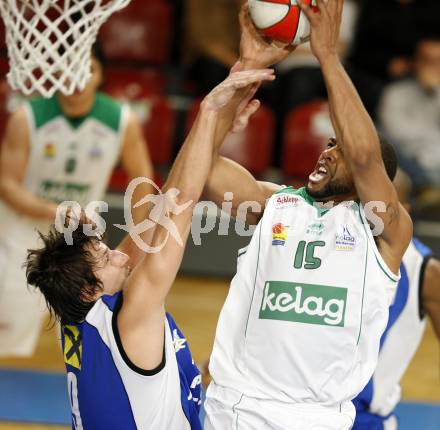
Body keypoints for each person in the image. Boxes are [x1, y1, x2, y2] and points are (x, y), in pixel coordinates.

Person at [25, 67, 275, 429]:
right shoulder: (132, 313)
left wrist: (217, 123)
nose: (122, 254)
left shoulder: (78, 307)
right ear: (89, 290)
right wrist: (209, 112)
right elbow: (183, 202)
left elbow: (166, 200)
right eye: (107, 258)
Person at [202, 2, 413, 429]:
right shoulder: (275, 203)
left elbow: (364, 153)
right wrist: (245, 70)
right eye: (328, 143)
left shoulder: (384, 230)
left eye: (340, 148)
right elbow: (202, 167)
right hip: (235, 407)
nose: (327, 151)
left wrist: (328, 56)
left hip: (319, 418)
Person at [0, 45, 154, 357]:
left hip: (82, 240)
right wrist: (54, 210)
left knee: (87, 341)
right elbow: (6, 184)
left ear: (101, 75)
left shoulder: (121, 120)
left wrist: (141, 234)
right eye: (67, 70)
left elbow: (142, 183)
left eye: (87, 70)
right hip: (22, 235)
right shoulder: (26, 117)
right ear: (55, 74)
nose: (77, 80)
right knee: (7, 339)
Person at [353, 169, 440, 430]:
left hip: (365, 422)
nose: (373, 212)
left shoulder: (426, 273)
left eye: (383, 203)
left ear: (406, 211)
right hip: (305, 412)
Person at [378, 34, 440, 190]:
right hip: (411, 166)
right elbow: (397, 133)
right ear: (415, 62)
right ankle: (426, 191)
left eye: (438, 61)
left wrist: (435, 91)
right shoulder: (395, 93)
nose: (432, 67)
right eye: (427, 61)